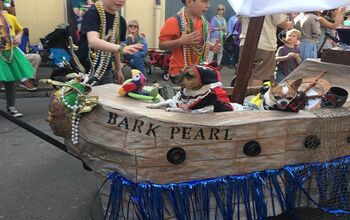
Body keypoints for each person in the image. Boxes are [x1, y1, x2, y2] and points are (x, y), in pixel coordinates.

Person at [77, 0, 143, 85]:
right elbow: (93, 41)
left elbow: (116, 44)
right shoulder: (92, 14)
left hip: (106, 70)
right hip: (84, 69)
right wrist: (121, 48)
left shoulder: (120, 21)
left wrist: (118, 69)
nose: (120, 1)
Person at [158, 0, 220, 81]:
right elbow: (162, 45)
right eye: (204, 1)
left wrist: (211, 46)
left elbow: (201, 43)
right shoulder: (174, 21)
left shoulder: (205, 23)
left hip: (198, 72)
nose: (208, 5)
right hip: (180, 73)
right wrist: (181, 41)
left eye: (209, 2)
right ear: (189, 2)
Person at [0, 0, 35, 117]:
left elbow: (20, 30)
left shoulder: (9, 17)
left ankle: (11, 107)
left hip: (9, 53)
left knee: (10, 81)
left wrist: (19, 37)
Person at [239, 14, 293, 87]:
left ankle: (241, 97)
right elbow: (280, 22)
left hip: (245, 41)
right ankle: (252, 97)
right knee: (258, 75)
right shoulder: (271, 2)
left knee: (244, 75)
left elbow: (239, 18)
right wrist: (288, 23)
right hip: (264, 43)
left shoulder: (245, 1)